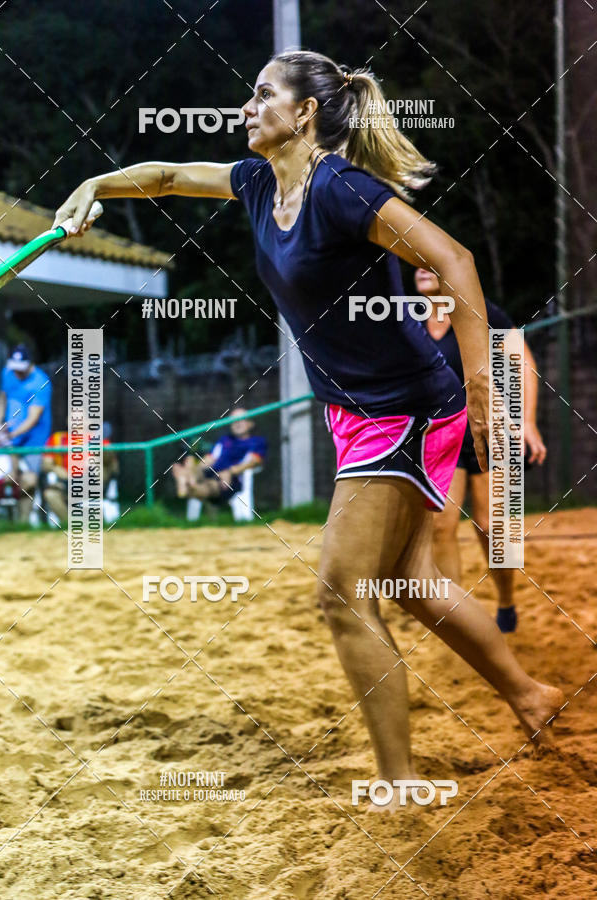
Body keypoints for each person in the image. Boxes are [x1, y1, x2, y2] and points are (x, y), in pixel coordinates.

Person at [53, 50, 563, 794]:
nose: (246, 107)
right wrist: (92, 183)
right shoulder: (259, 182)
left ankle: (395, 784)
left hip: (406, 409)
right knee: (411, 583)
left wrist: (484, 379)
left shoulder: (343, 190)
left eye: (262, 95)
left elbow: (454, 258)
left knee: (340, 591)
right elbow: (163, 176)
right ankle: (531, 695)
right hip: (358, 412)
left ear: (306, 113)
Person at [416, 268, 547, 633]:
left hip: (492, 432)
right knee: (441, 527)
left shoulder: (479, 310)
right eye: (417, 263)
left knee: (492, 528)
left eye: (431, 262)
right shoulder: (408, 317)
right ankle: (456, 619)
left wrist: (528, 422)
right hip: (441, 435)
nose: (422, 268)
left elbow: (522, 360)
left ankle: (506, 601)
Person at [0, 345, 52, 522]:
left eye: (21, 370)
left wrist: (10, 435)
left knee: (29, 481)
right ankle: (10, 521)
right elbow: (3, 400)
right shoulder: (7, 373)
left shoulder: (41, 382)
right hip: (8, 442)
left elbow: (33, 418)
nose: (17, 374)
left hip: (33, 442)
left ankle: (23, 522)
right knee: (7, 478)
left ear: (30, 363)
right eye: (15, 369)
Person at [172, 407, 266, 505]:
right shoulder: (224, 440)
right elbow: (210, 459)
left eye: (242, 419)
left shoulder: (256, 442)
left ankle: (186, 483)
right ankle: (189, 479)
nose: (238, 423)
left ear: (250, 423)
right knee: (189, 460)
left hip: (231, 481)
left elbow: (254, 462)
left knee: (209, 485)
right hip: (211, 473)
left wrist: (230, 471)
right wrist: (194, 469)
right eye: (234, 420)